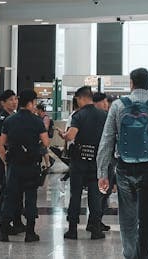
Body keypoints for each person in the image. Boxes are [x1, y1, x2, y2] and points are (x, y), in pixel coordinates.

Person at [97, 67, 148, 259]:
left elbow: (106, 141)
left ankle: (129, 255)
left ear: (131, 83)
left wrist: (102, 173)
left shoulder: (118, 106)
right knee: (146, 219)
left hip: (124, 169)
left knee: (127, 219)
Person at [1, 90, 50, 243]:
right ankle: (30, 232)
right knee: (30, 197)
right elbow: (46, 142)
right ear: (32, 102)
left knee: (10, 197)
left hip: (14, 164)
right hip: (31, 165)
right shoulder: (36, 121)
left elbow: (3, 141)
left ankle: (4, 231)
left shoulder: (9, 120)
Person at [64, 86, 107, 240]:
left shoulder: (78, 115)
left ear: (81, 98)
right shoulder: (103, 115)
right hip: (96, 159)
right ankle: (96, 229)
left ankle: (72, 229)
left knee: (75, 194)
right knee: (95, 196)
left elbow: (71, 136)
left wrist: (64, 135)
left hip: (79, 160)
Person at [0, 89, 20, 240]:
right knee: (6, 192)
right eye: (10, 100)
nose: (14, 102)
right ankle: (4, 223)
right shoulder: (1, 119)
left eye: (15, 99)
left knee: (14, 192)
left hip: (14, 160)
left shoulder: (13, 116)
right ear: (3, 103)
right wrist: (5, 162)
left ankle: (14, 220)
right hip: (6, 161)